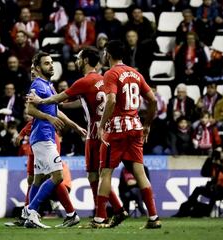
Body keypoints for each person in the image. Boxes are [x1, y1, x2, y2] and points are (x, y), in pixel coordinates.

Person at [27, 47, 127, 227]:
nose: (76, 61)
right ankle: (109, 211)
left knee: (92, 176)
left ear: (86, 60)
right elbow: (80, 102)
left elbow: (56, 101)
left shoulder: (82, 81)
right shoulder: (104, 79)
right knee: (43, 177)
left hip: (94, 133)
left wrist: (42, 103)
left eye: (79, 58)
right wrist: (72, 124)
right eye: (47, 63)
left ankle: (101, 215)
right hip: (108, 129)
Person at [97, 40, 161, 228]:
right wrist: (147, 124)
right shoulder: (135, 73)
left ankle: (100, 217)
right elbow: (152, 100)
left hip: (117, 129)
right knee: (140, 172)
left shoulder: (111, 73)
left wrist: (101, 125)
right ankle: (153, 218)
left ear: (107, 54)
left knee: (105, 172)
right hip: (135, 127)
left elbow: (111, 100)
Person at [22, 52, 86, 228]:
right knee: (57, 176)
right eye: (47, 63)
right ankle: (32, 211)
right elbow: (30, 110)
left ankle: (29, 212)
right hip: (43, 137)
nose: (51, 66)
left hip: (44, 137)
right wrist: (48, 118)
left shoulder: (49, 86)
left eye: (52, 63)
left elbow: (56, 110)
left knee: (39, 178)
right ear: (37, 68)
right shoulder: (37, 84)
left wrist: (74, 126)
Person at [173, 150, 223, 217]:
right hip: (216, 189)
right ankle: (187, 207)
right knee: (198, 189)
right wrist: (209, 160)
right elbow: (204, 173)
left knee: (214, 192)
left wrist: (220, 165)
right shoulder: (214, 163)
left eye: (219, 153)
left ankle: (204, 210)